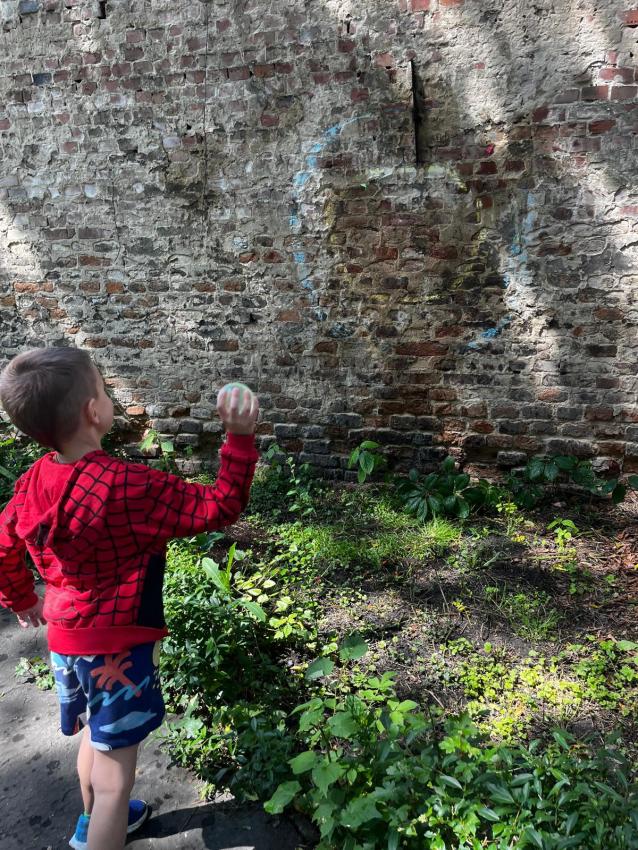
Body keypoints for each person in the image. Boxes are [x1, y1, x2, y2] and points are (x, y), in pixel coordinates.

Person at [0, 347, 260, 850]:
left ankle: (91, 822)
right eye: (103, 388)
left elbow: (4, 541)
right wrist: (240, 437)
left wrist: (20, 596)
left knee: (96, 738)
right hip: (116, 647)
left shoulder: (33, 481)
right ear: (92, 412)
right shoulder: (127, 485)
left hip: (65, 641)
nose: (108, 396)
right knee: (116, 778)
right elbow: (220, 504)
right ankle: (104, 826)